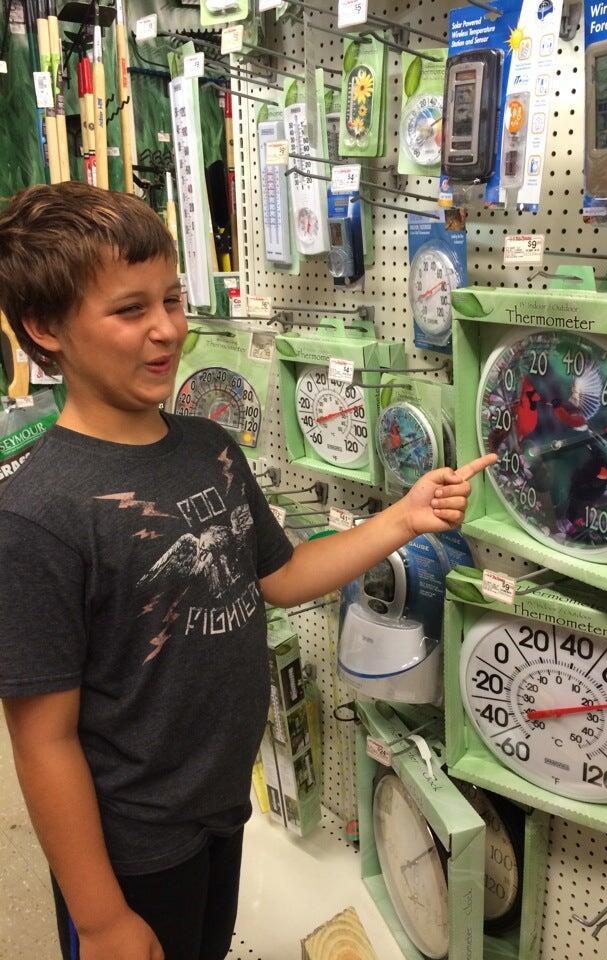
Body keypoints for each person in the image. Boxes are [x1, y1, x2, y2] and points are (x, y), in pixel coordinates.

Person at [0, 182, 495, 960]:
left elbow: (283, 576)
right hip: (131, 844)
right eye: (130, 310)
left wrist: (402, 518)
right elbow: (43, 742)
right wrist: (97, 918)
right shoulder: (36, 515)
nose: (167, 328)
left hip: (221, 804)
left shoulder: (209, 448)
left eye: (172, 299)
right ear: (44, 326)